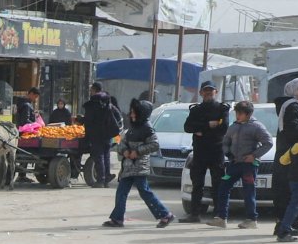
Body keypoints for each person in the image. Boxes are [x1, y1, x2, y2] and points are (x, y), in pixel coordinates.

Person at [104, 98, 174, 228]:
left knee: (145, 192)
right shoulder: (132, 128)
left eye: (134, 112)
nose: (131, 115)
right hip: (128, 167)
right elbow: (122, 142)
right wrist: (124, 150)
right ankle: (117, 219)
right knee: (121, 192)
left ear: (141, 113)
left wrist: (138, 151)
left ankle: (165, 215)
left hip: (139, 167)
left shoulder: (147, 128)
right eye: (131, 112)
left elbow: (154, 144)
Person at [212, 100, 272, 229]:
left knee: (248, 191)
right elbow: (225, 141)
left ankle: (251, 219)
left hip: (249, 166)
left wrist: (253, 156)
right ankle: (221, 218)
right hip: (234, 164)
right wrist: (228, 153)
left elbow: (268, 143)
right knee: (223, 186)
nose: (237, 116)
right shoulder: (233, 126)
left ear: (248, 114)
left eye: (240, 113)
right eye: (236, 113)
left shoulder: (257, 127)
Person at [180, 81, 230, 223]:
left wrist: (201, 130)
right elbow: (188, 127)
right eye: (205, 91)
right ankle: (194, 214)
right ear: (201, 93)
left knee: (218, 184)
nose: (208, 93)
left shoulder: (222, 109)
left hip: (216, 151)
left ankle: (218, 214)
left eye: (211, 91)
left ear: (216, 92)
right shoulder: (196, 110)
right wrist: (208, 125)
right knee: (197, 184)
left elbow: (223, 128)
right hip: (200, 151)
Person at [273, 78, 298, 222]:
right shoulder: (292, 106)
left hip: (290, 154)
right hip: (290, 155)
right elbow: (293, 129)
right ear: (295, 91)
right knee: (289, 191)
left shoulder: (292, 105)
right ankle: (285, 225)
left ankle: (293, 223)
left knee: (293, 192)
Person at [81, 83, 123, 186]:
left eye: (91, 90)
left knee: (98, 156)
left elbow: (88, 120)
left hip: (96, 135)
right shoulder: (109, 104)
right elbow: (118, 117)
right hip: (108, 135)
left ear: (94, 90)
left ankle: (100, 180)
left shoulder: (92, 104)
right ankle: (106, 178)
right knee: (106, 156)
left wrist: (79, 119)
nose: (90, 92)